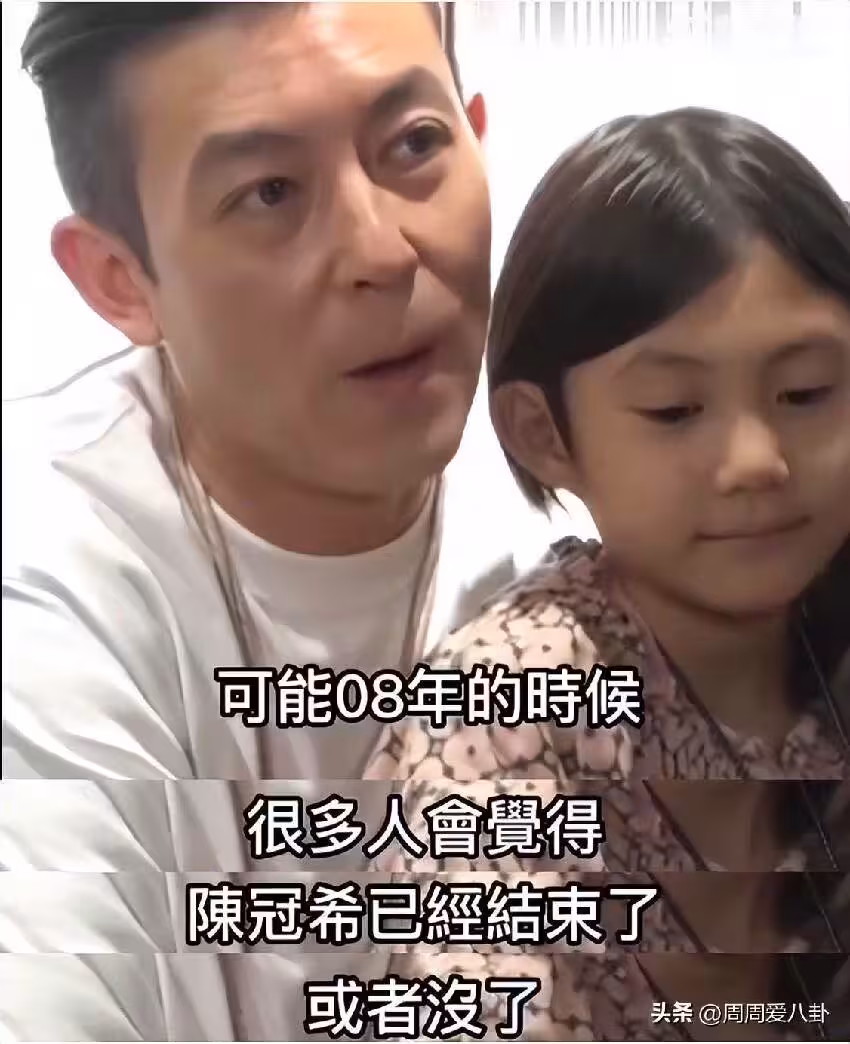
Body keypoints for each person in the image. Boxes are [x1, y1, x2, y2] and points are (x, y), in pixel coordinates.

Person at [0, 3, 547, 1040]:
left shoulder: (607, 492)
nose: (381, 250)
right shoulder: (47, 580)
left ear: (476, 133)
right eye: (269, 193)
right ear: (120, 281)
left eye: (414, 145)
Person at [365, 108, 850, 1040]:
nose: (757, 460)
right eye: (674, 409)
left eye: (806, 393)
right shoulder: (504, 703)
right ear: (544, 434)